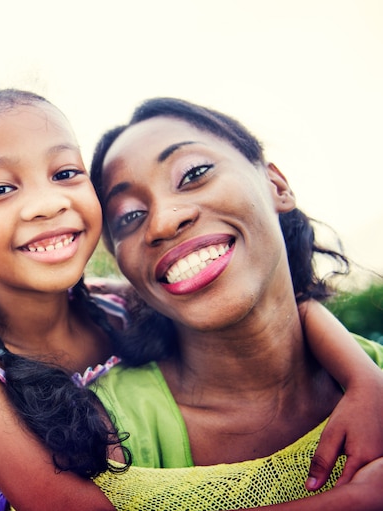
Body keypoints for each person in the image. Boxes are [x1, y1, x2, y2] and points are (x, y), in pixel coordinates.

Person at [0, 87, 383, 511]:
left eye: (65, 172)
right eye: (0, 188)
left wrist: (364, 380)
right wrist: (353, 499)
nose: (47, 202)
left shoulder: (110, 305)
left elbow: (289, 310)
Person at [86, 96, 383, 509]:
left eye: (194, 173)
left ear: (276, 185)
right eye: (129, 215)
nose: (164, 221)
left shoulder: (374, 377)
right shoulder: (104, 432)